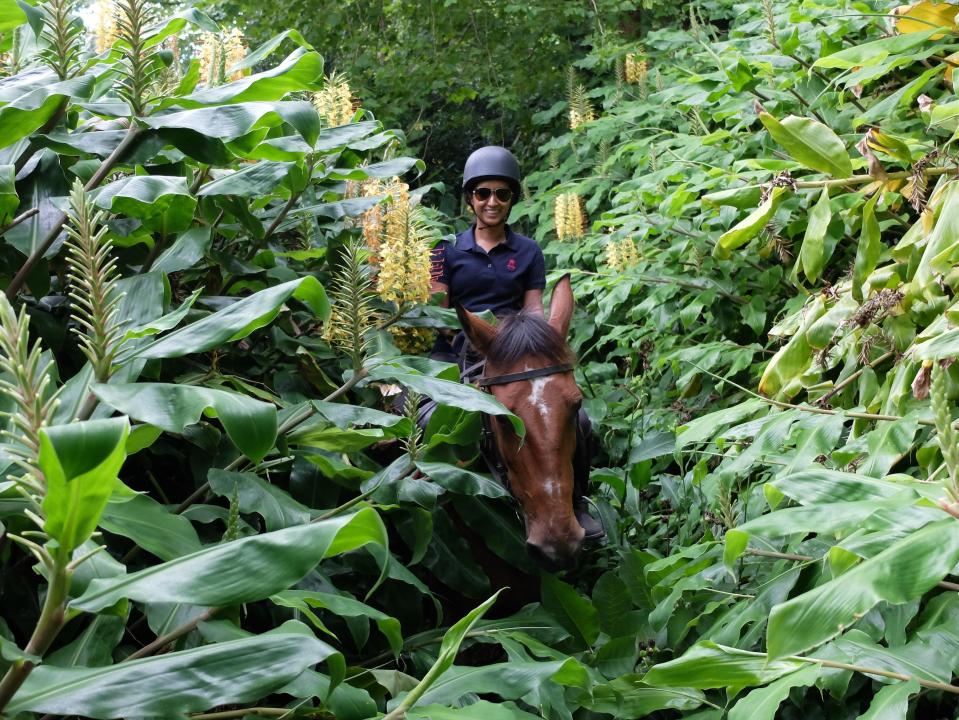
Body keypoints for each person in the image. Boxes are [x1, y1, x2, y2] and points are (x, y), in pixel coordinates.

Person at [428, 145, 605, 542]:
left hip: (515, 353)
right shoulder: (444, 250)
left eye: (502, 194)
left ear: (511, 200)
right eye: (483, 193)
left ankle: (577, 500)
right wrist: (473, 333)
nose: (492, 202)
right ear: (470, 198)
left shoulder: (528, 251)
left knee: (579, 420)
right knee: (429, 421)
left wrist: (527, 348)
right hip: (459, 351)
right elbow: (435, 313)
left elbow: (533, 312)